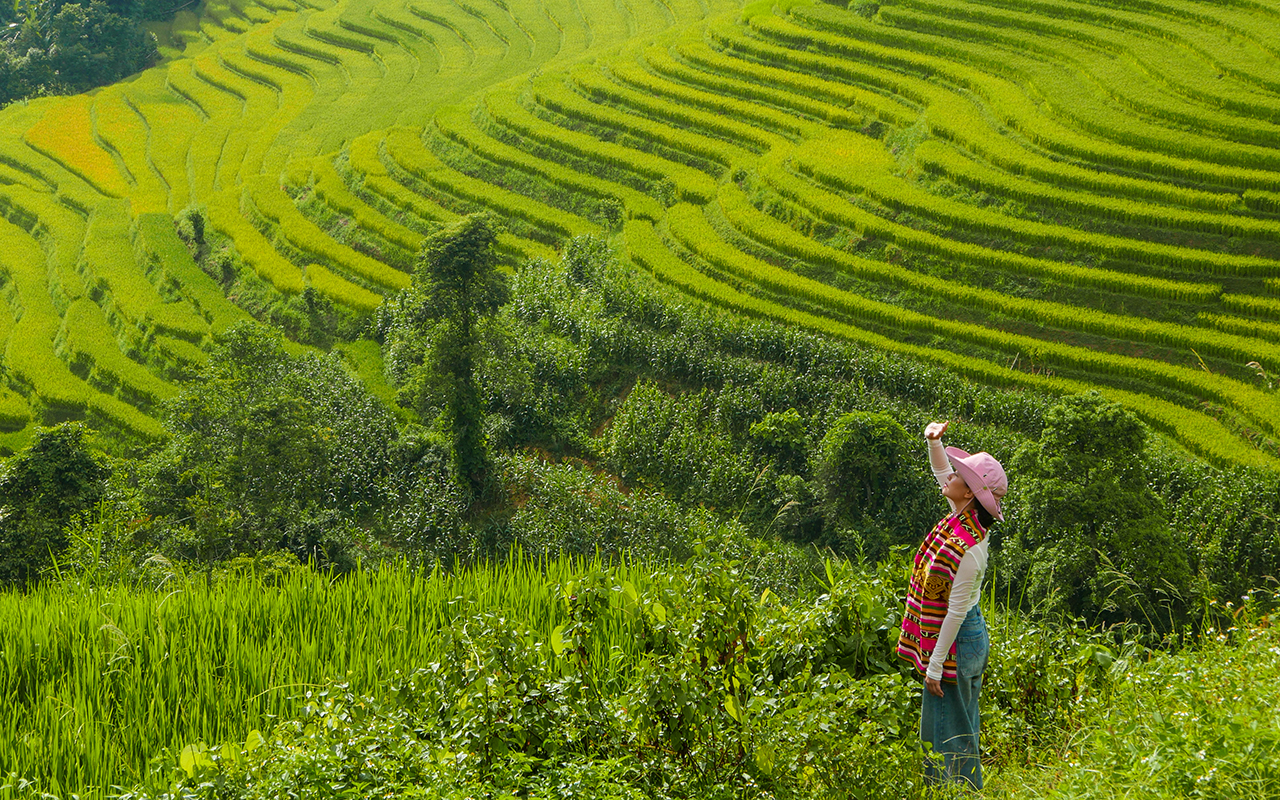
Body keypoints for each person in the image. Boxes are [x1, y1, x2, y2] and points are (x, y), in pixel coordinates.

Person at [896, 420, 1007, 790]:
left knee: (946, 733)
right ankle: (962, 791)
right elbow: (943, 472)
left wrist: (934, 666)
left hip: (959, 639)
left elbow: (955, 612)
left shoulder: (970, 548)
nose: (952, 477)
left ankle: (952, 793)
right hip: (966, 637)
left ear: (970, 494)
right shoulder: (963, 520)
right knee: (960, 725)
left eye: (962, 476)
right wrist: (933, 442)